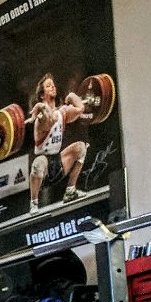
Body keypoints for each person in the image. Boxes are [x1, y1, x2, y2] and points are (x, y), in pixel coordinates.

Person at [27, 72, 94, 209]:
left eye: (53, 85)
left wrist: (72, 96)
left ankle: (70, 191)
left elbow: (80, 109)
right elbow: (50, 120)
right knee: (38, 163)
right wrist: (41, 107)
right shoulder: (41, 118)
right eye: (48, 86)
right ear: (41, 94)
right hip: (43, 170)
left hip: (59, 163)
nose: (52, 87)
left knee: (81, 147)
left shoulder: (61, 112)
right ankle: (34, 203)